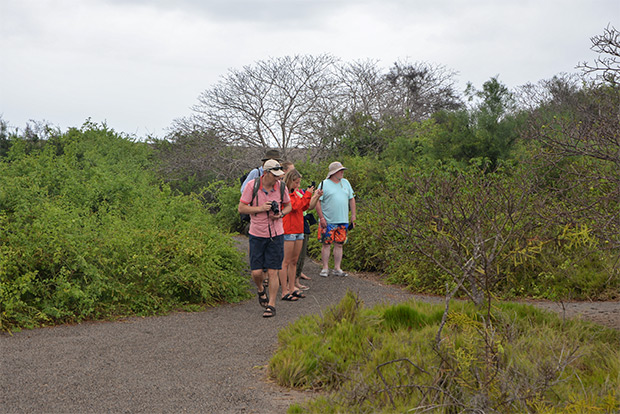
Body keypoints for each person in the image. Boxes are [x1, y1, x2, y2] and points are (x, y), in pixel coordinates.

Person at [238, 159, 291, 317]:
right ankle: (261, 290)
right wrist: (261, 208)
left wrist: (281, 213)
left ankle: (272, 305)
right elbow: (241, 207)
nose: (278, 178)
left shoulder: (281, 187)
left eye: (279, 175)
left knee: (274, 271)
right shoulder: (252, 186)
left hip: (276, 234)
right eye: (275, 175)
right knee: (256, 272)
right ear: (266, 173)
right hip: (257, 234)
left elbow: (289, 205)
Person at [280, 169, 322, 301]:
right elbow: (295, 206)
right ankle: (284, 289)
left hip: (299, 229)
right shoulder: (284, 193)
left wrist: (313, 196)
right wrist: (308, 194)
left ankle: (292, 287)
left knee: (294, 261)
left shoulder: (297, 193)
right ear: (290, 181)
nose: (298, 185)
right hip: (288, 230)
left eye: (299, 183)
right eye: (296, 183)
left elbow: (304, 207)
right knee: (285, 261)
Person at [315, 161, 356, 277]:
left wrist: (353, 215)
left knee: (339, 244)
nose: (342, 172)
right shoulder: (324, 184)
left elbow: (351, 199)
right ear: (333, 173)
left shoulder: (346, 183)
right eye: (340, 171)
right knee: (326, 244)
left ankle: (337, 268)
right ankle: (325, 268)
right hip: (327, 220)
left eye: (342, 170)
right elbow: (317, 201)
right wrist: (321, 217)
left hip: (343, 220)